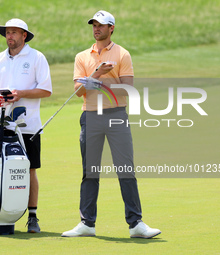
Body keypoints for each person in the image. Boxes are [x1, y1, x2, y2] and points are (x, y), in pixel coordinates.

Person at [61, 10, 161, 238]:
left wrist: (103, 79)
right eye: (94, 25)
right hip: (90, 116)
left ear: (111, 28)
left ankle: (136, 224)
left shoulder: (122, 54)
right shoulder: (82, 57)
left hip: (116, 115)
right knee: (90, 172)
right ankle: (87, 223)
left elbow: (128, 90)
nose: (96, 28)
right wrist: (97, 74)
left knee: (126, 169)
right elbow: (78, 92)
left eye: (101, 25)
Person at [0, 18, 52, 233]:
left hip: (29, 126)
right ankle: (2, 212)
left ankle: (32, 217)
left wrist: (20, 94)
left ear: (24, 35)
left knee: (30, 169)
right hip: (1, 125)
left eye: (14, 32)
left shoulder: (36, 57)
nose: (10, 36)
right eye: (7, 32)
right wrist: (0, 100)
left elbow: (46, 90)